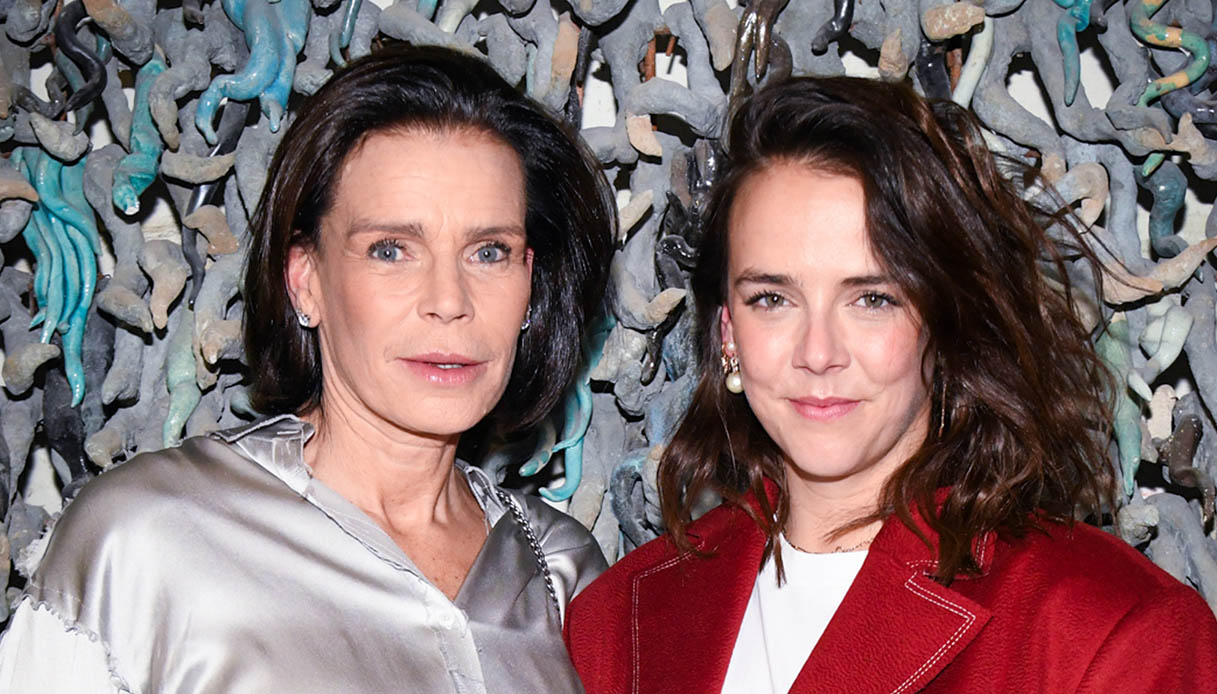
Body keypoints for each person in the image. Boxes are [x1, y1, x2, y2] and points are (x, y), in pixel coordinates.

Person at [564, 76, 1217, 693]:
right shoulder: (610, 624)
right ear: (727, 332)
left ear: (943, 321)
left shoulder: (1112, 632)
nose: (818, 354)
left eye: (871, 298)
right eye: (773, 299)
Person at [0, 44, 615, 693]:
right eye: (391, 250)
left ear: (530, 281)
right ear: (305, 280)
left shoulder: (563, 572)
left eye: (488, 251)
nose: (449, 300)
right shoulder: (144, 538)